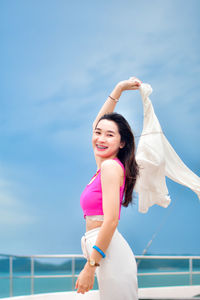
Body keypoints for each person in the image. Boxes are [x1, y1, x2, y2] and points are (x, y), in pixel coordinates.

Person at [75, 77, 142, 299]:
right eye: (98, 133)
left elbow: (112, 220)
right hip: (103, 249)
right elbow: (98, 123)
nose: (101, 138)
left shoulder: (111, 167)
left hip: (109, 252)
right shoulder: (103, 166)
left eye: (110, 135)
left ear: (122, 143)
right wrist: (119, 89)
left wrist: (89, 268)